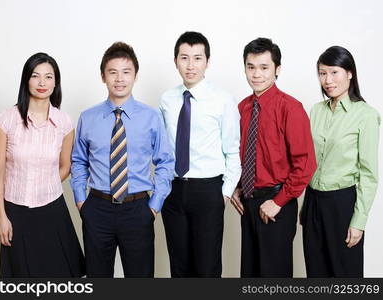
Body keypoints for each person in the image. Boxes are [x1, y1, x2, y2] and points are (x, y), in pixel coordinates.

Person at [71, 42, 174, 278]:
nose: (119, 79)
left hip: (138, 209)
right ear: (103, 76)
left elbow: (165, 163)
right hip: (97, 208)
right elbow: (78, 162)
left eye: (126, 72)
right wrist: (81, 202)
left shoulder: (151, 117)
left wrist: (154, 206)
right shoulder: (88, 118)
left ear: (135, 76)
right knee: (98, 279)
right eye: (112, 72)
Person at [0, 52, 85, 277]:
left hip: (52, 209)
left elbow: (66, 166)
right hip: (15, 210)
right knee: (22, 277)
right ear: (26, 80)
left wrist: (44, 183)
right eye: (36, 76)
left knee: (59, 276)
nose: (42, 83)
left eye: (49, 77)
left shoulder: (64, 122)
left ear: (56, 82)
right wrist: (1, 217)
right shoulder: (6, 119)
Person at [230, 38, 317, 277]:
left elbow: (305, 165)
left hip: (278, 201)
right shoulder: (242, 108)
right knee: (250, 273)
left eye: (264, 67)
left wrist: (278, 202)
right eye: (251, 67)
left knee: (274, 277)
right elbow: (239, 152)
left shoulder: (291, 108)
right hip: (249, 202)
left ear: (277, 70)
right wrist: (237, 186)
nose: (256, 74)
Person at [159, 31, 241, 277]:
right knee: (179, 266)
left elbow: (232, 150)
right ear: (176, 61)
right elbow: (163, 149)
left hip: (208, 191)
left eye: (197, 58)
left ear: (207, 61)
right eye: (184, 58)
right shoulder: (167, 100)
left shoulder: (223, 100)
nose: (190, 65)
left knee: (207, 267)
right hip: (174, 191)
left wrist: (224, 194)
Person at [301, 46, 380, 277]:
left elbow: (369, 174)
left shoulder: (365, 115)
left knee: (345, 275)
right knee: (316, 272)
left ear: (350, 73)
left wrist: (359, 221)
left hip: (343, 205)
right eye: (322, 73)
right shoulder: (316, 111)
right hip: (314, 202)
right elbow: (307, 160)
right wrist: (306, 205)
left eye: (334, 72)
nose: (327, 80)